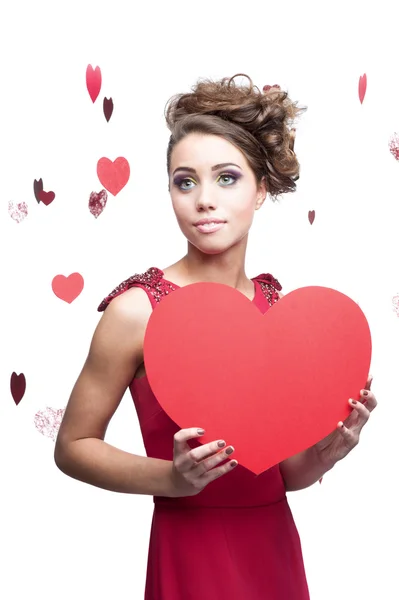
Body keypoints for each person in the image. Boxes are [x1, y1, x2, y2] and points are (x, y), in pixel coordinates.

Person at [54, 74, 377, 599]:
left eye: (226, 178)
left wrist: (328, 449)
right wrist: (172, 480)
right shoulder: (137, 310)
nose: (203, 199)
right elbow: (72, 447)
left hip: (273, 548)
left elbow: (277, 473)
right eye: (185, 181)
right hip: (188, 547)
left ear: (262, 188)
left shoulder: (277, 311)